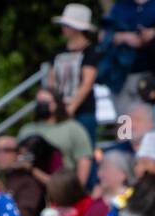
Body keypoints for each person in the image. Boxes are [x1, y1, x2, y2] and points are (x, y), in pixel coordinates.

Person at [19, 86, 94, 186]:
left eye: (45, 102)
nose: (41, 105)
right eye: (39, 102)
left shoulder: (73, 128)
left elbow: (84, 160)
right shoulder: (26, 129)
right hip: (29, 186)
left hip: (61, 186)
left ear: (56, 104)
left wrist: (78, 190)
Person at [50, 5, 101, 144]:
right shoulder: (59, 51)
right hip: (60, 109)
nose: (64, 28)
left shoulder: (91, 51)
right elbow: (52, 80)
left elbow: (87, 83)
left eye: (67, 25)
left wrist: (71, 108)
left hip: (83, 111)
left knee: (85, 149)